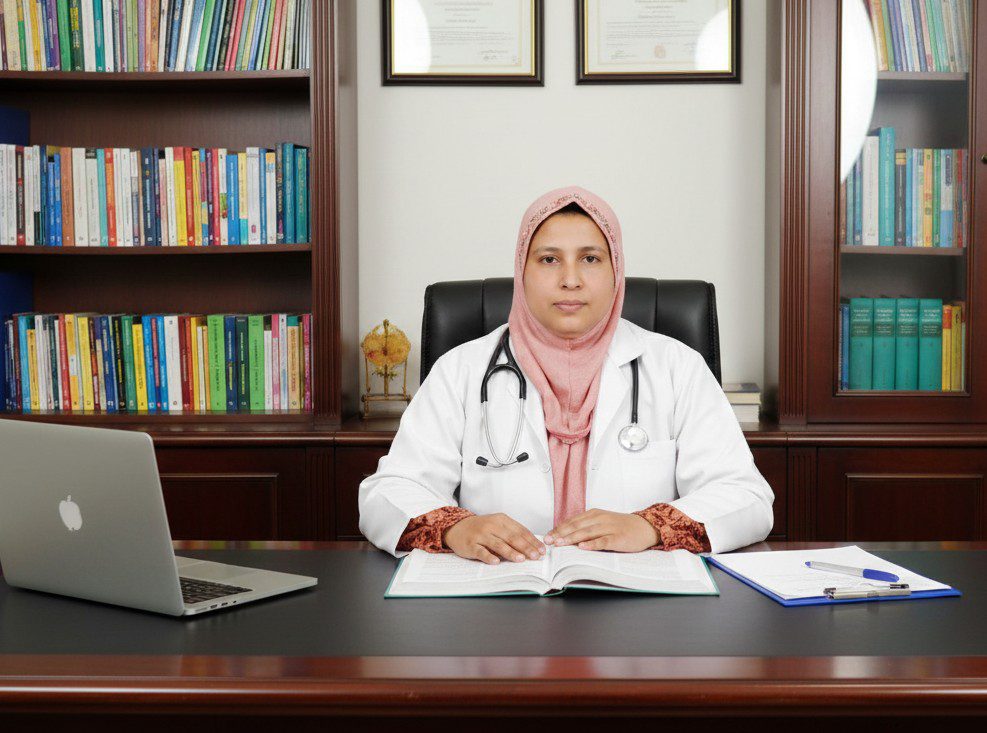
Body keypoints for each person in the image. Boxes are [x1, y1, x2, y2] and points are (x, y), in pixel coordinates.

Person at [359, 185, 774, 563]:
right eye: (549, 259)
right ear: (522, 271)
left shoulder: (677, 367)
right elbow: (386, 494)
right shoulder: (460, 370)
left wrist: (650, 526)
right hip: (500, 598)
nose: (570, 280)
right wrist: (455, 529)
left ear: (616, 271)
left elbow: (746, 496)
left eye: (590, 259)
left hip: (637, 602)